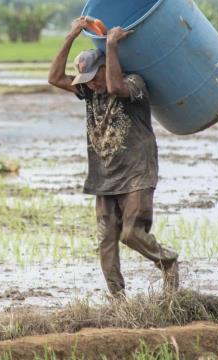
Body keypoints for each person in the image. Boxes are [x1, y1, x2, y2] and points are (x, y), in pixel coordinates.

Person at [48, 16, 179, 296]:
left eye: (94, 77)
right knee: (106, 240)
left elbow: (116, 87)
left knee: (131, 233)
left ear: (106, 68)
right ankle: (117, 300)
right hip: (104, 175)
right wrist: (71, 35)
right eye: (87, 81)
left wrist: (111, 45)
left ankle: (167, 262)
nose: (91, 85)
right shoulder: (88, 91)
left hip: (136, 172)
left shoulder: (134, 84)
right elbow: (55, 78)